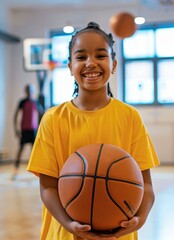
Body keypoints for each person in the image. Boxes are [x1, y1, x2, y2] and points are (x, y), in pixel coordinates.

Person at [27, 22, 160, 240]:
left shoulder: (129, 117)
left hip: (119, 233)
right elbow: (48, 188)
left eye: (100, 56)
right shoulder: (53, 119)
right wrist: (69, 223)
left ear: (113, 64)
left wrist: (140, 217)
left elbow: (145, 185)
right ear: (70, 67)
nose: (91, 63)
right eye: (81, 57)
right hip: (65, 233)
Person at [13, 83, 44, 177]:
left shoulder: (35, 102)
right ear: (25, 91)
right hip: (24, 129)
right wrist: (16, 130)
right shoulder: (22, 102)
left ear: (32, 91)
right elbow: (15, 115)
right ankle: (16, 168)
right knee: (21, 148)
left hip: (33, 129)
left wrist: (40, 127)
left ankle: (34, 169)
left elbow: (42, 113)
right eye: (28, 89)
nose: (29, 91)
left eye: (30, 89)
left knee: (33, 150)